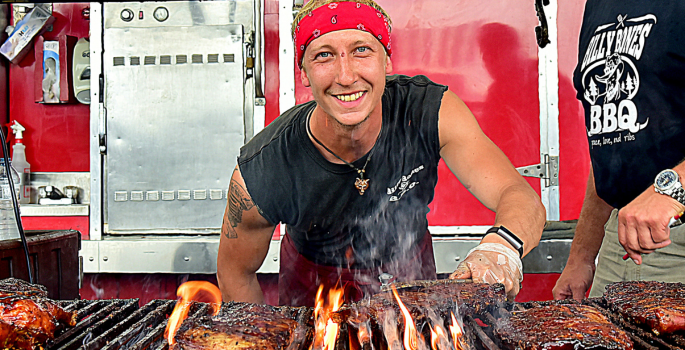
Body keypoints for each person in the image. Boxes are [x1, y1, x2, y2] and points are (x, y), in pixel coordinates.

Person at [217, 0, 546, 307]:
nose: (346, 77)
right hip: (314, 293)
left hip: (411, 279)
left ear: (386, 60)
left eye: (361, 50)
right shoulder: (264, 167)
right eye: (324, 56)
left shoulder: (430, 112)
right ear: (303, 73)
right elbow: (235, 274)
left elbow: (517, 194)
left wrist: (500, 248)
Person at [553, 0, 685, 300]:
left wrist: (670, 189)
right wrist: (582, 256)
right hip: (619, 243)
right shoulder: (599, 6)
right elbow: (613, 147)